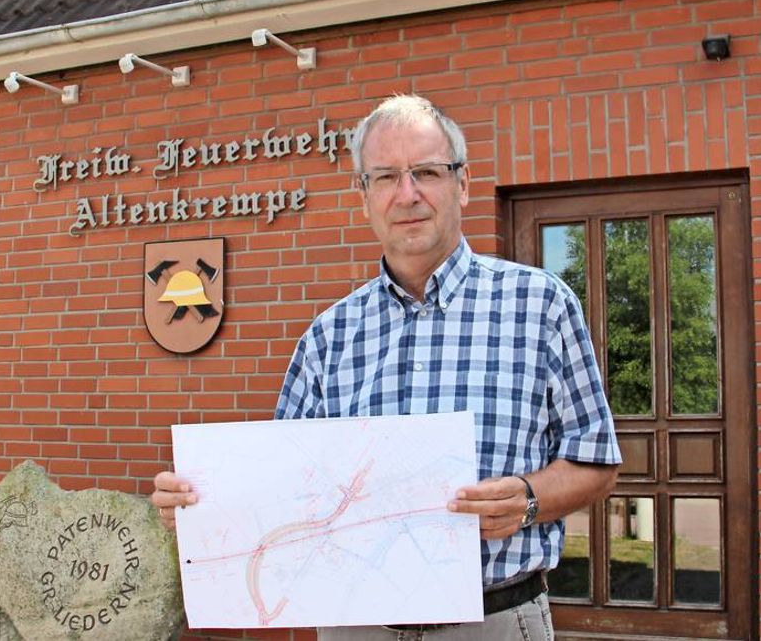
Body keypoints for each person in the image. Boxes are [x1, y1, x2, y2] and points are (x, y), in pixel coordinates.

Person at [153, 94, 621, 640]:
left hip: (494, 620)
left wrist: (530, 499)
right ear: (364, 195)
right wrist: (201, 509)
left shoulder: (541, 305)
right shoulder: (328, 337)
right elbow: (281, 497)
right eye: (386, 177)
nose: (408, 194)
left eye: (427, 172)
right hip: (355, 625)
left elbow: (596, 461)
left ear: (463, 184)